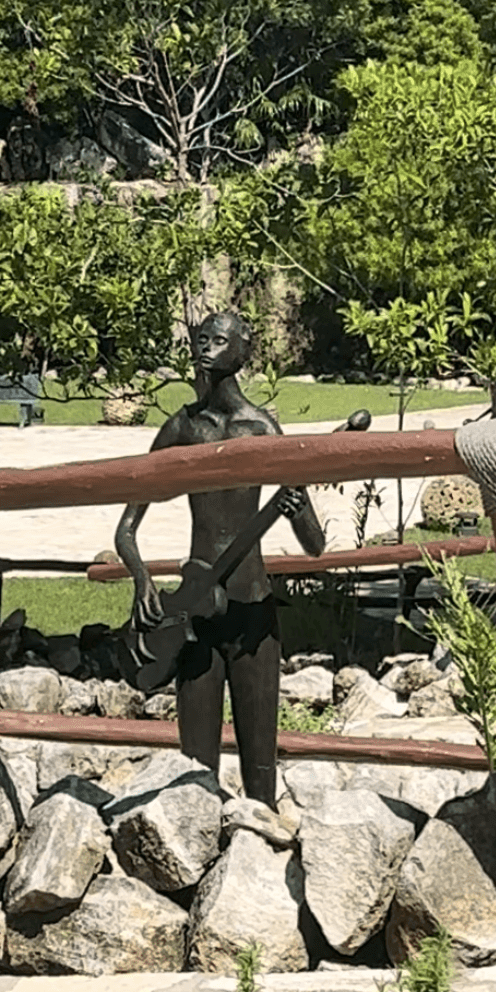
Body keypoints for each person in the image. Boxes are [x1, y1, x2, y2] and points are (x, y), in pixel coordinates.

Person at [114, 310, 325, 807]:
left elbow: (314, 544)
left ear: (242, 352)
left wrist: (294, 509)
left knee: (260, 768)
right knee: (195, 773)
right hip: (195, 617)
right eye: (201, 339)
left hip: (252, 611)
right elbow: (127, 527)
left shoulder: (262, 429)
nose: (205, 347)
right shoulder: (182, 428)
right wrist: (142, 580)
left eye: (218, 340)